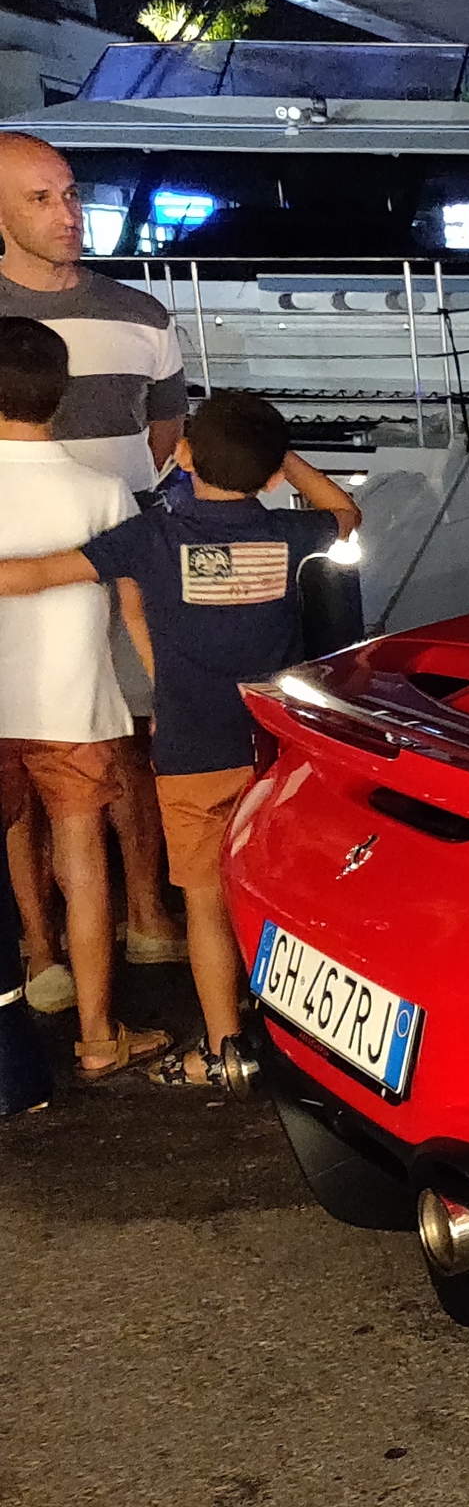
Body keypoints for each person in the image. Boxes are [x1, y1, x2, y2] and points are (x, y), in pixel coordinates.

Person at [0, 390, 358, 1082]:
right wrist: (282, 458)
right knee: (281, 894)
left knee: (203, 900)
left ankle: (226, 1048)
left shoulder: (153, 537)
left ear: (185, 456)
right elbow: (345, 513)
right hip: (274, 753)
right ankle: (302, 1039)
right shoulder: (289, 537)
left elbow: (41, 573)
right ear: (274, 475)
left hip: (192, 754)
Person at [0, 129, 186, 969]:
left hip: (125, 564)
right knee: (28, 760)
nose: (69, 213)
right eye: (42, 198)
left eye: (71, 193)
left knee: (133, 741)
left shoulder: (142, 314)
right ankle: (44, 952)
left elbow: (165, 434)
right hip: (26, 570)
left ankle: (145, 913)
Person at [0, 317, 168, 1077]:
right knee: (84, 862)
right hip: (76, 709)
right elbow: (140, 615)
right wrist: (167, 698)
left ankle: (38, 958)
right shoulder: (104, 494)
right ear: (59, 395)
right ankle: (100, 1033)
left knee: (12, 834)